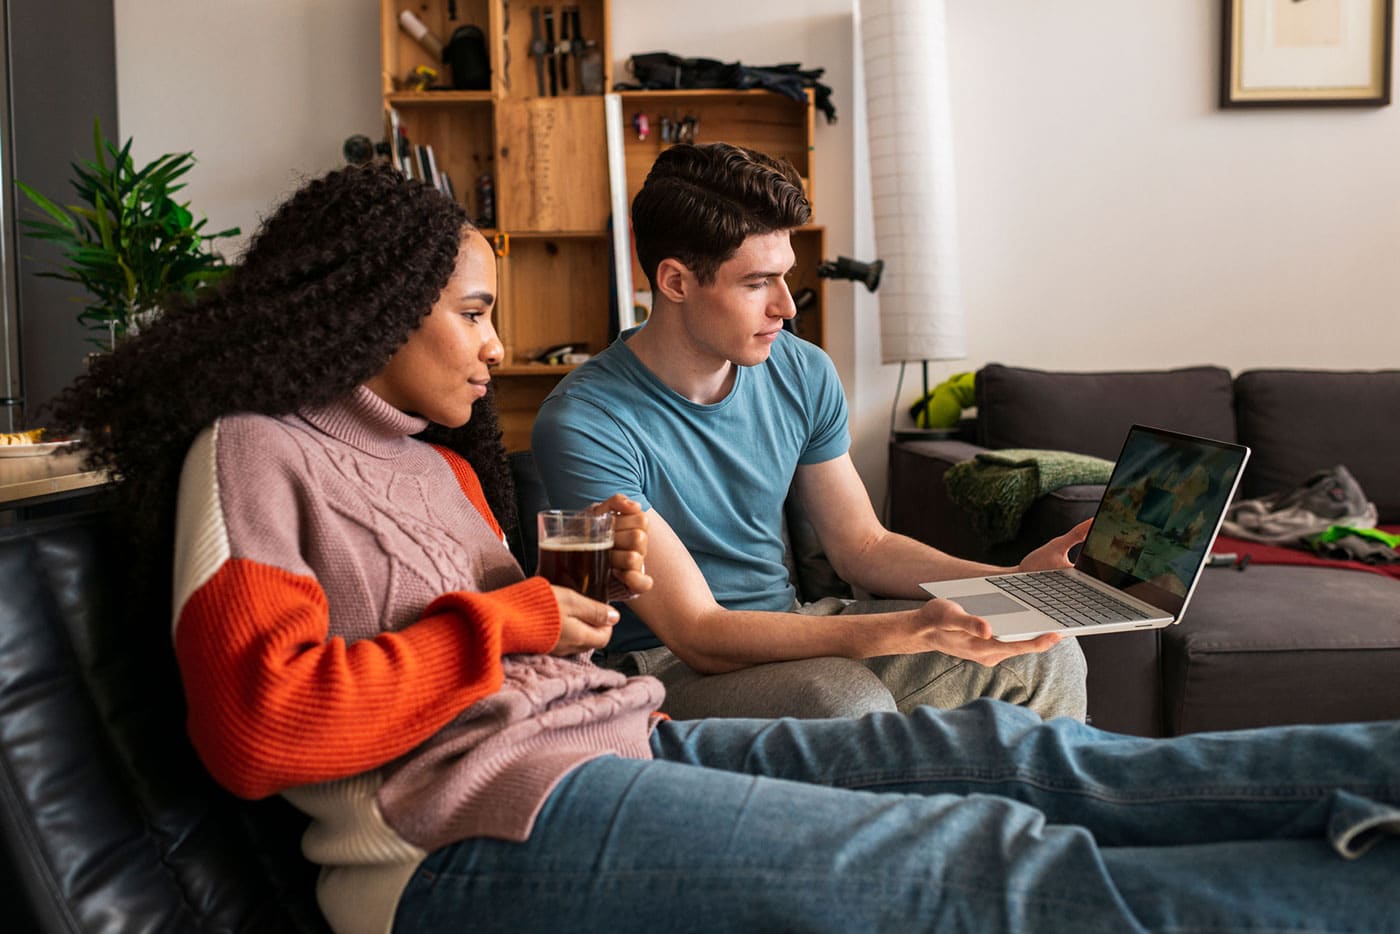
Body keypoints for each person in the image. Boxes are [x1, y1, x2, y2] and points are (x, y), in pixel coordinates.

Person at [53, 163, 1400, 934]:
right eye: (470, 313)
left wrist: (556, 606)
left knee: (1011, 755)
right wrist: (514, 619)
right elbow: (263, 725)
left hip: (608, 741)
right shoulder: (256, 452)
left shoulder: (432, 458)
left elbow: (837, 548)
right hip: (453, 839)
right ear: (371, 309)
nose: (489, 341)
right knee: (964, 862)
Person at [532, 142, 1088, 722]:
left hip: (796, 629)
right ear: (675, 281)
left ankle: (1026, 814)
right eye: (757, 283)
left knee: (1044, 656)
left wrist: (1014, 586)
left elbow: (863, 547)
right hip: (665, 666)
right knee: (844, 699)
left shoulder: (801, 370)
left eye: (785, 278)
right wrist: (910, 629)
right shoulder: (585, 421)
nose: (786, 307)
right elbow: (698, 632)